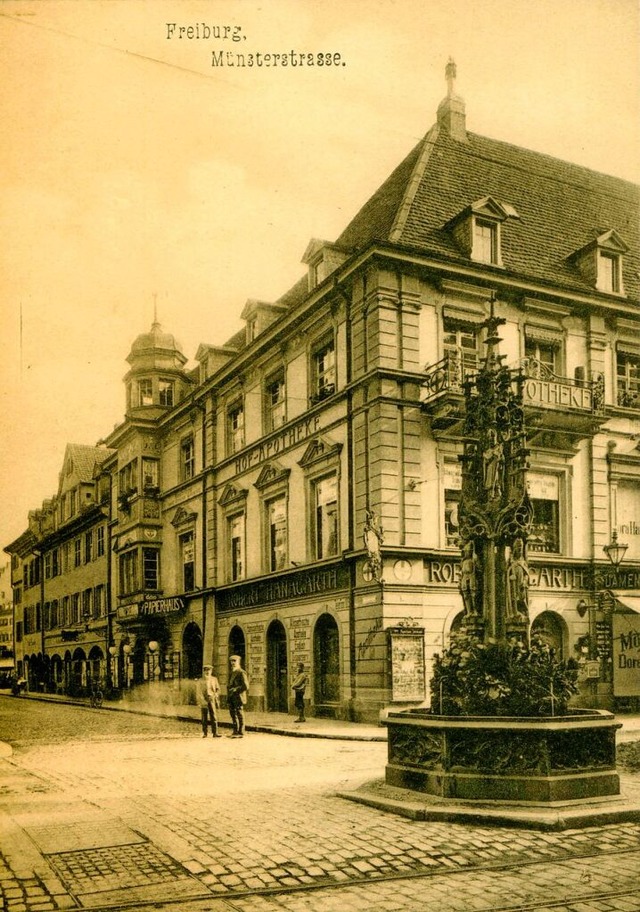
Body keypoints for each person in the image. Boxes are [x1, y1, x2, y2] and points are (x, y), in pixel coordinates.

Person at [227, 654, 249, 738]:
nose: (233, 663)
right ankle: (235, 731)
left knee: (239, 713)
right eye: (231, 661)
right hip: (232, 696)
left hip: (238, 696)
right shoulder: (231, 672)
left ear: (238, 662)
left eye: (234, 661)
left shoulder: (241, 672)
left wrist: (236, 689)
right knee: (233, 714)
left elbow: (246, 686)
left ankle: (241, 731)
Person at [197, 665, 221, 738]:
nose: (207, 672)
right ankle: (205, 733)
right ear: (204, 671)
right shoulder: (200, 680)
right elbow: (198, 692)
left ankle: (215, 733)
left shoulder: (214, 679)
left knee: (213, 716)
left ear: (211, 671)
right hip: (204, 699)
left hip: (212, 698)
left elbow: (218, 689)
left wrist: (216, 694)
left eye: (209, 670)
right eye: (206, 670)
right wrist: (202, 700)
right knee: (204, 717)